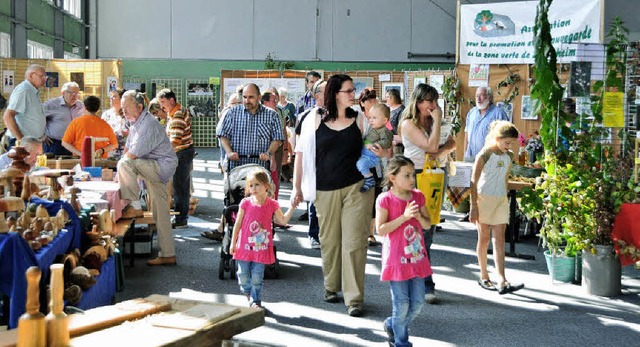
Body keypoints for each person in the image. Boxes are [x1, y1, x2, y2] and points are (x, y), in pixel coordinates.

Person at [292, 74, 381, 317]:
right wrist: (297, 188)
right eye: (349, 91)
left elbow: (378, 146)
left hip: (358, 187)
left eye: (353, 90)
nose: (354, 94)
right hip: (324, 189)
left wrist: (381, 150)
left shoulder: (360, 119)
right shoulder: (313, 120)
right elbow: (300, 154)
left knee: (354, 242)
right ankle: (331, 285)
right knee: (330, 241)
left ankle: (354, 298)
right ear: (335, 94)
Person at [117, 90, 178, 266]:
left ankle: (134, 206)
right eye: (122, 108)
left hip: (160, 166)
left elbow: (132, 156)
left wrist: (123, 171)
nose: (124, 111)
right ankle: (168, 254)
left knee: (124, 164)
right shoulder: (136, 123)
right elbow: (128, 149)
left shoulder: (148, 124)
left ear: (139, 106)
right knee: (161, 212)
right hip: (156, 166)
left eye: (127, 107)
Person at [376, 156, 432, 347]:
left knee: (417, 304)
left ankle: (392, 324)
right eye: (406, 175)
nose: (412, 179)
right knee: (401, 305)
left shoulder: (418, 196)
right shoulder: (385, 199)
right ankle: (401, 342)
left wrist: (417, 216)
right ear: (392, 178)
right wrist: (404, 217)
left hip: (416, 258)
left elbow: (427, 223)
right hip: (396, 260)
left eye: (413, 175)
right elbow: (380, 229)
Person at [399, 83, 443, 304]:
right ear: (417, 102)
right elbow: (432, 147)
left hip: (432, 177)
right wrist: (437, 123)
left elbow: (444, 146)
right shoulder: (408, 124)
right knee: (417, 232)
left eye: (435, 101)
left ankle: (420, 281)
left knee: (428, 231)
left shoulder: (430, 123)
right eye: (428, 101)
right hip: (414, 177)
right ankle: (423, 283)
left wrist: (438, 148)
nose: (433, 106)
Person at [470, 120, 525, 295]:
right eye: (507, 143)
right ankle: (484, 276)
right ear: (497, 138)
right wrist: (473, 206)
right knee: (484, 237)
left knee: (500, 239)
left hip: (500, 199)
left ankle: (502, 278)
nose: (509, 147)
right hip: (483, 199)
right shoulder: (484, 154)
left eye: (512, 144)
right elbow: (473, 181)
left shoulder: (509, 156)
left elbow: (504, 178)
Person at [229, 170, 298, 309]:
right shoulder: (245, 203)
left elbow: (282, 220)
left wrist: (292, 207)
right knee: (242, 275)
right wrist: (233, 242)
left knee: (257, 276)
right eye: (251, 185)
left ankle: (255, 300)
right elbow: (238, 223)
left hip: (261, 248)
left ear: (266, 186)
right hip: (244, 246)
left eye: (257, 185)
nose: (253, 188)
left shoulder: (272, 204)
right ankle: (247, 292)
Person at [461, 86, 508, 223]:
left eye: (482, 95)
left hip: (490, 158)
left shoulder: (498, 113)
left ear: (490, 97)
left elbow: (505, 137)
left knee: (486, 185)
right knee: (472, 184)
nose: (478, 98)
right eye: (477, 96)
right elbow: (466, 135)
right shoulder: (472, 113)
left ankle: (486, 213)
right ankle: (472, 211)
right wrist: (465, 153)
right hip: (471, 155)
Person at [217, 83, 284, 172]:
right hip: (236, 168)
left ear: (259, 97)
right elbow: (223, 135)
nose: (247, 100)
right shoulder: (232, 113)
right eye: (244, 97)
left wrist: (268, 153)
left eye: (251, 97)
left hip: (260, 168)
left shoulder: (271, 115)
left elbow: (277, 138)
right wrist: (229, 152)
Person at [294, 80, 326, 249]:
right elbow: (299, 150)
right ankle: (314, 234)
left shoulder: (347, 115)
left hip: (336, 170)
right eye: (326, 91)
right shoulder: (305, 117)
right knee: (314, 202)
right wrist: (296, 186)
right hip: (313, 167)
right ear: (316, 95)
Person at [157, 88, 195, 229]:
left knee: (180, 187)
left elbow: (175, 141)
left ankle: (181, 220)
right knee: (180, 186)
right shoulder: (175, 112)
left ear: (171, 100)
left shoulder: (177, 115)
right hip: (182, 152)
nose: (161, 106)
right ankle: (180, 217)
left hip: (182, 153)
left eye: (163, 102)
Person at [3, 64, 47, 147]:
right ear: (31, 75)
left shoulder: (33, 91)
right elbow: (8, 116)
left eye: (45, 77)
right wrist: (21, 141)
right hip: (23, 142)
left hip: (33, 141)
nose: (44, 79)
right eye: (42, 76)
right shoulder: (24, 90)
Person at [357, 104, 394, 192]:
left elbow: (386, 142)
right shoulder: (374, 129)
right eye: (370, 118)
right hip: (366, 153)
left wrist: (373, 145)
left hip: (372, 156)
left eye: (374, 118)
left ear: (385, 120)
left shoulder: (385, 131)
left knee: (361, 165)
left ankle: (370, 180)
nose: (371, 120)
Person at [43, 81, 85, 156]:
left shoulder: (81, 106)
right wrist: (41, 135)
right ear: (63, 93)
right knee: (54, 167)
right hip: (55, 144)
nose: (74, 96)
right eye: (71, 93)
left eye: (77, 93)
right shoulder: (51, 105)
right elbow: (36, 119)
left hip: (74, 145)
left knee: (74, 167)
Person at [101, 89, 128, 158]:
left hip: (125, 152)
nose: (111, 98)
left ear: (121, 99)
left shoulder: (128, 114)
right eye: (111, 96)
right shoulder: (106, 114)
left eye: (114, 96)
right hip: (109, 151)